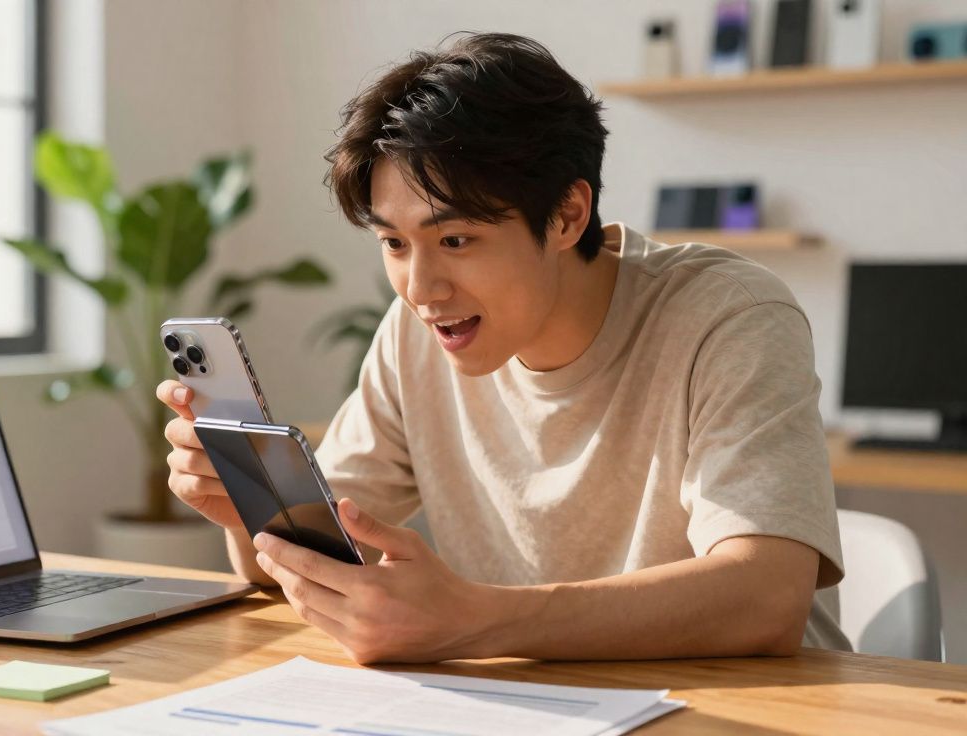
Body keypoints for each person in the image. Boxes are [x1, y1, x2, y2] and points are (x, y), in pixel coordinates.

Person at [156, 32, 849, 664]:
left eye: (455, 241)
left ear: (567, 215)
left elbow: (766, 597)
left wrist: (475, 620)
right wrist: (252, 516)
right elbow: (333, 551)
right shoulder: (414, 336)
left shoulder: (728, 316)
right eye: (394, 244)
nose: (421, 289)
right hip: (528, 705)